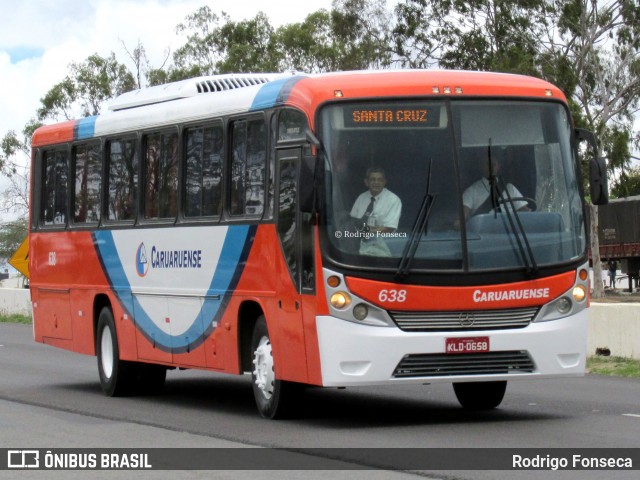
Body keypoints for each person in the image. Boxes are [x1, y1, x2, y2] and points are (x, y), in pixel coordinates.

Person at [350, 166, 402, 256]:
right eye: (373, 179)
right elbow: (352, 220)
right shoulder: (361, 197)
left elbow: (389, 228)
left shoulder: (393, 200)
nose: (376, 182)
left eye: (380, 179)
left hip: (381, 247)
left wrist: (366, 231)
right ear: (366, 182)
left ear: (384, 182)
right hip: (356, 246)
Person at [462, 155, 529, 220]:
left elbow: (526, 212)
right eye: (488, 164)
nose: (491, 167)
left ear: (498, 167)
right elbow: (462, 217)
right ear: (481, 166)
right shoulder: (471, 191)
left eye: (494, 164)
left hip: (510, 230)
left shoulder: (510, 188)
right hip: (485, 230)